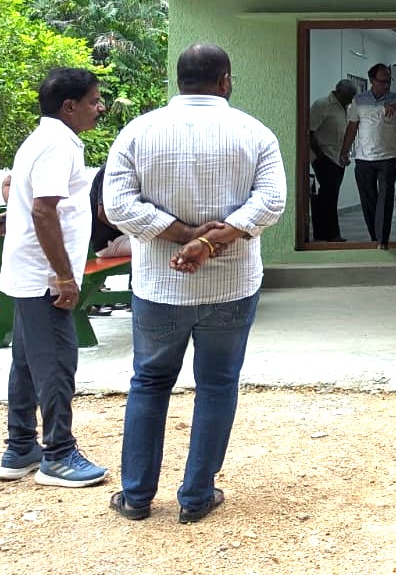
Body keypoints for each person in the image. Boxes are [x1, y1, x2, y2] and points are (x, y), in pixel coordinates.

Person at [103, 43, 286, 524]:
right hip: (231, 286)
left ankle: (137, 496)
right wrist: (211, 240)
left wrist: (183, 236)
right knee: (218, 385)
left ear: (178, 79)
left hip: (159, 287)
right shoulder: (254, 133)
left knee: (149, 382)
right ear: (225, 81)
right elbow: (271, 202)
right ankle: (196, 496)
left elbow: (117, 206)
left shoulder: (138, 132)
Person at [0, 67, 109, 488]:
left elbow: (30, 203)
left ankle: (21, 446)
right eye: (94, 101)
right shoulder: (57, 146)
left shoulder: (42, 140)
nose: (100, 108)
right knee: (58, 363)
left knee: (26, 364)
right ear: (69, 106)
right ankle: (58, 454)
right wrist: (64, 277)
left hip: (27, 273)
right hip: (43, 278)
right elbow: (45, 209)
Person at [339, 63, 396, 249]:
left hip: (389, 157)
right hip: (364, 158)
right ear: (372, 80)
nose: (386, 85)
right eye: (382, 81)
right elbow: (352, 127)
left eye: (388, 81)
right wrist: (344, 152)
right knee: (368, 201)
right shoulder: (359, 100)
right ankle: (374, 237)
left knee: (385, 199)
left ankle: (382, 241)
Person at [307, 79, 358, 241]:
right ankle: (331, 234)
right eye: (349, 96)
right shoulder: (323, 105)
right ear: (339, 92)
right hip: (324, 157)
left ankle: (325, 233)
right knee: (328, 196)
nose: (351, 100)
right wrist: (320, 156)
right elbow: (309, 131)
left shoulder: (345, 108)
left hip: (338, 158)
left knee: (329, 196)